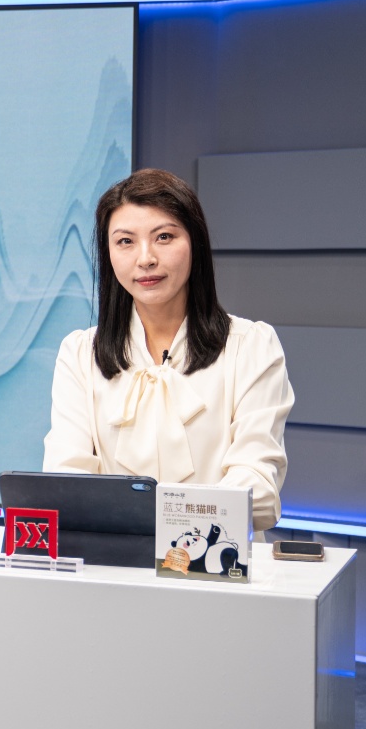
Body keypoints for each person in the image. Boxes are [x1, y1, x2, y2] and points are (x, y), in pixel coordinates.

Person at [43, 168, 294, 529]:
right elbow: (67, 482)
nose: (145, 258)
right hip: (111, 560)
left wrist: (169, 528)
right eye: (125, 241)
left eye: (164, 237)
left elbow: (256, 485)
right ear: (107, 252)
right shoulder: (80, 354)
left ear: (194, 243)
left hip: (216, 556)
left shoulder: (251, 346)